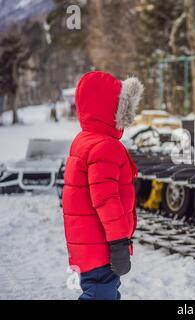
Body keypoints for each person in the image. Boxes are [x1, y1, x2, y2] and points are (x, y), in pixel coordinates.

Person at [62, 71, 144, 300]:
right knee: (101, 294)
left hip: (87, 245)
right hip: (102, 247)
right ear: (111, 108)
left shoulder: (84, 140)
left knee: (102, 292)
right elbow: (106, 200)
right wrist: (118, 243)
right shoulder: (105, 147)